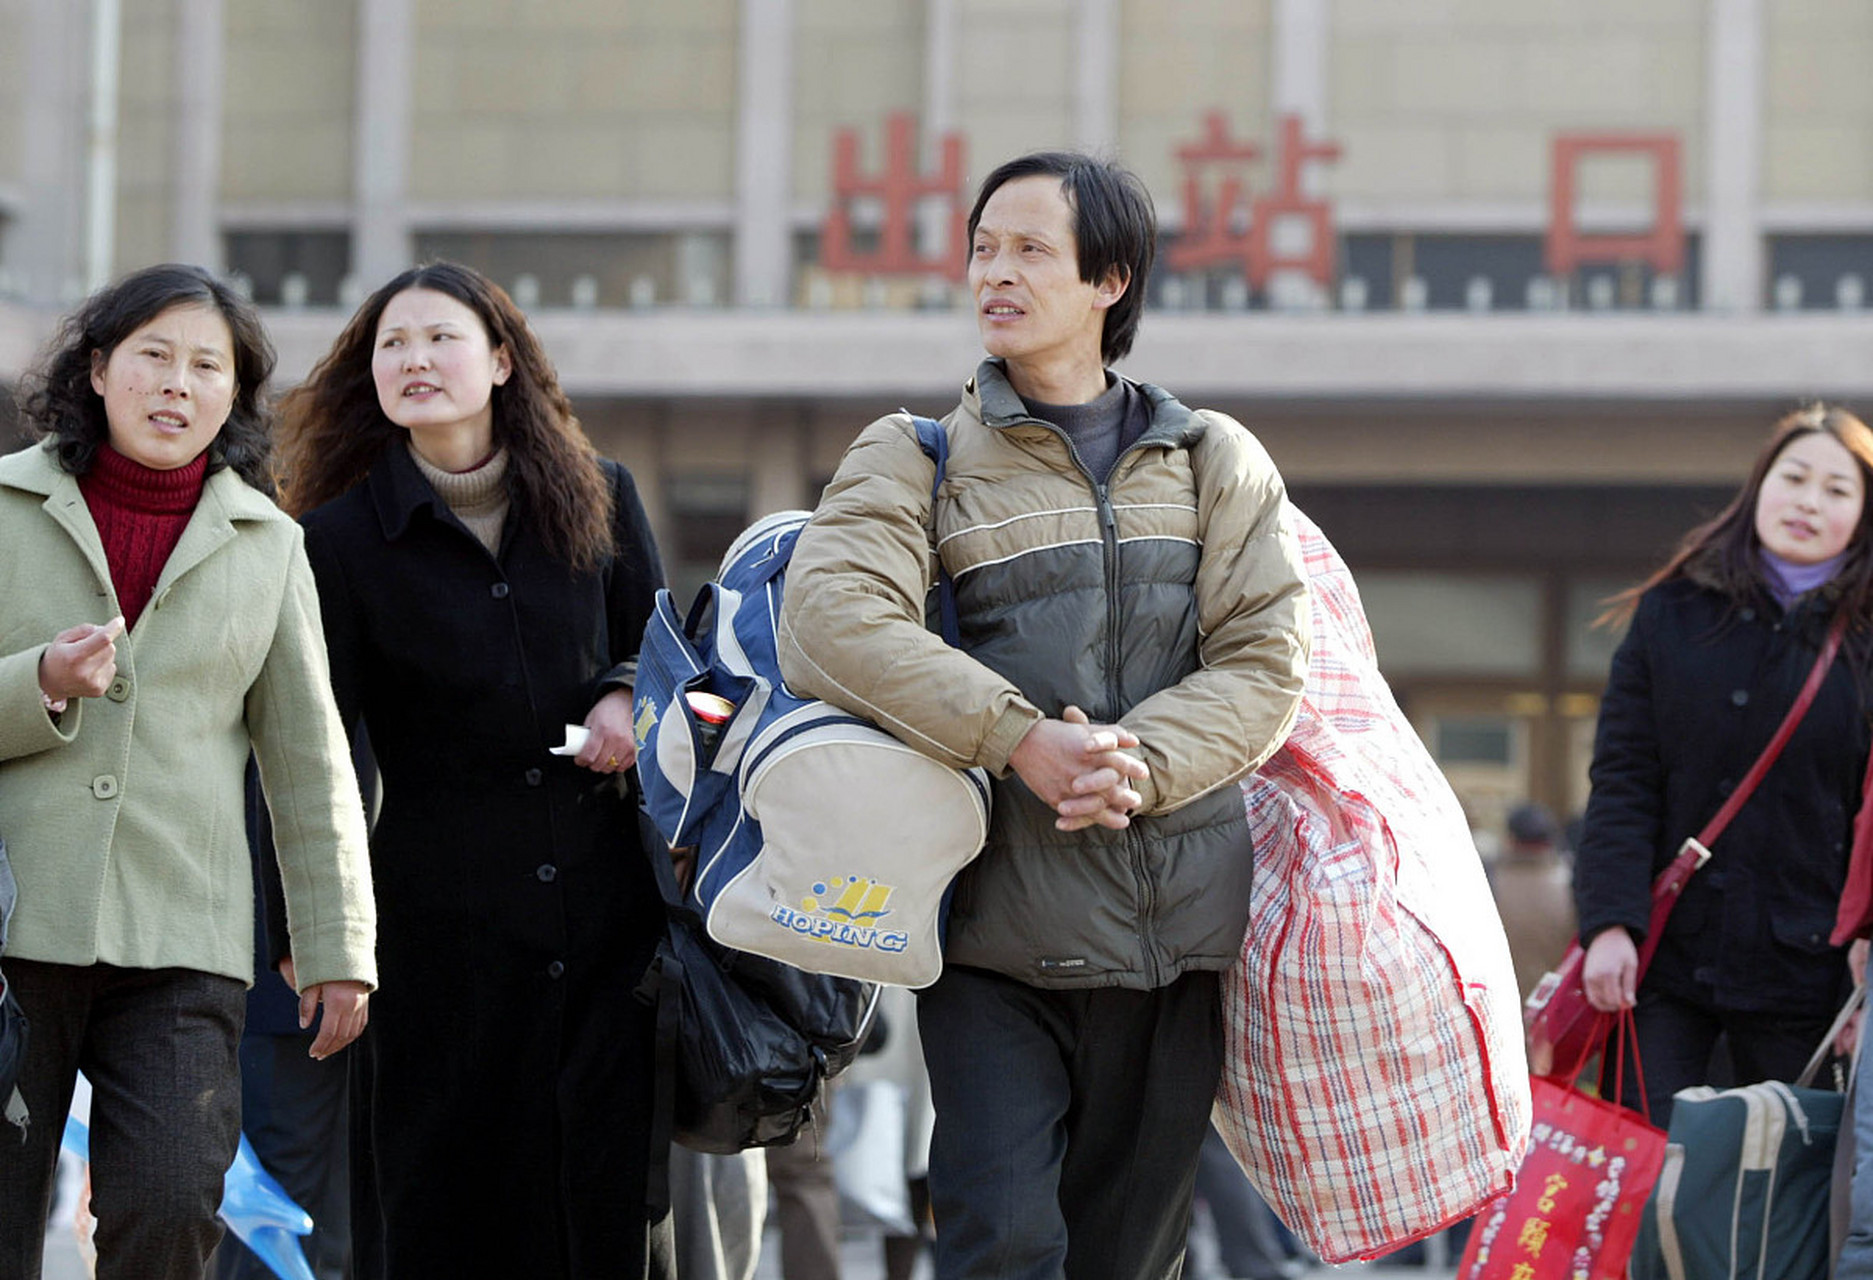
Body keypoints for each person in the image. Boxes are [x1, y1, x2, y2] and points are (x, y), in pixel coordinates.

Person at [778, 152, 1310, 1280]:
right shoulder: (912, 454)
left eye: (1029, 249)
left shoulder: (1214, 459)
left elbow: (1268, 659)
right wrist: (1021, 736)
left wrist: (1136, 762)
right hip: (990, 935)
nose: (994, 273)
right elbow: (828, 621)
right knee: (1002, 1241)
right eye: (982, 248)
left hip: (1175, 946)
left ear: (1109, 278)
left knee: (1129, 1258)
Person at [274, 260, 672, 1279]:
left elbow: (674, 660)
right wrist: (307, 926)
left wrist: (625, 689)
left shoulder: (602, 497)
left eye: (440, 338)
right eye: (392, 344)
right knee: (442, 1209)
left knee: (602, 1215)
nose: (414, 359)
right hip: (436, 935)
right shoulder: (338, 540)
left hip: (607, 929)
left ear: (500, 360)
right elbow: (309, 741)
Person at [0, 263, 377, 1280]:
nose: (178, 383)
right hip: (10, 930)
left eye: (207, 365)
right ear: (96, 369)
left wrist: (338, 940)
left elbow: (310, 762)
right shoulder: (4, 507)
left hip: (183, 937)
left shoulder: (268, 546)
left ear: (233, 393)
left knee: (171, 1203)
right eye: (154, 356)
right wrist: (37, 678)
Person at [1574, 404, 1873, 1127]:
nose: (1807, 500)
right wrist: (1607, 925)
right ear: (1757, 487)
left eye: (1836, 490)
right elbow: (1622, 781)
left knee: (1782, 1197)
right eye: (1792, 476)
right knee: (1645, 1172)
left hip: (1810, 971)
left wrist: (1865, 991)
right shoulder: (1672, 612)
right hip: (1665, 958)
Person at [1491, 801, 1575, 1000]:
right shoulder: (1572, 882)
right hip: (1553, 1010)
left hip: (1502, 1011)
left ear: (1511, 838)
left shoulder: (1488, 882)